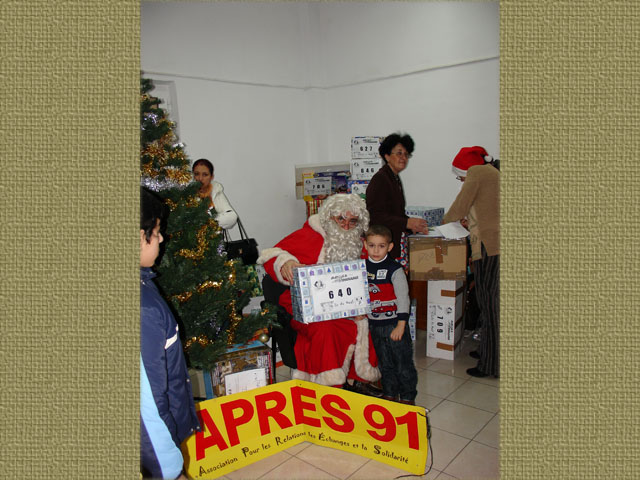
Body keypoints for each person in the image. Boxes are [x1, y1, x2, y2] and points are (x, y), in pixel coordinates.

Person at [257, 193, 382, 395]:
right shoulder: (311, 236)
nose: (346, 226)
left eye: (353, 221)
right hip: (309, 307)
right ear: (330, 217)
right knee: (327, 328)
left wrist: (360, 306)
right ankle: (329, 386)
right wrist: (286, 262)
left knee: (373, 319)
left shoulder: (359, 243)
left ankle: (357, 379)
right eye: (341, 219)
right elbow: (272, 254)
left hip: (345, 306)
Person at [140, 188, 200, 479]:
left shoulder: (143, 283)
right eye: (157, 231)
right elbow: (147, 404)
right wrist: (170, 468)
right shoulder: (142, 309)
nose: (161, 239)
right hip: (156, 451)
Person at [443, 146, 500, 378]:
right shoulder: (491, 173)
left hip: (492, 248)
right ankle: (488, 352)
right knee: (488, 305)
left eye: (460, 175)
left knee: (491, 304)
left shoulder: (477, 173)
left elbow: (459, 206)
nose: (461, 180)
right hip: (491, 245)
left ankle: (491, 364)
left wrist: (442, 226)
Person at [364, 225, 418, 404]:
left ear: (390, 247)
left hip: (394, 325)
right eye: (372, 245)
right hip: (374, 325)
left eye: (381, 246)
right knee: (384, 364)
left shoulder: (395, 270)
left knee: (403, 364)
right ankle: (389, 393)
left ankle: (408, 397)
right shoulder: (362, 267)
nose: (376, 250)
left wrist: (401, 324)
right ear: (365, 245)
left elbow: (403, 298)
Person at [366, 133, 428, 263]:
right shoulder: (380, 179)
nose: (403, 158)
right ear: (387, 156)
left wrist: (412, 225)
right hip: (381, 246)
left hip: (392, 242)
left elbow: (395, 213)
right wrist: (406, 222)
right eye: (399, 153)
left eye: (406, 154)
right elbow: (375, 216)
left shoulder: (393, 177)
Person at [192, 158, 238, 229]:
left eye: (205, 175)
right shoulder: (186, 193)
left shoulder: (215, 190)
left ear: (211, 177)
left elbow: (232, 217)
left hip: (213, 239)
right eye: (197, 174)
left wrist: (207, 222)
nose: (200, 178)